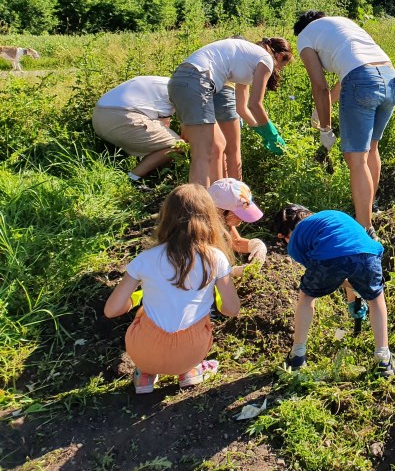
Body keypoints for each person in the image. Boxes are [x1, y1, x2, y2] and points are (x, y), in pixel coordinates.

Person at [103, 184, 240, 394]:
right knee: (200, 319)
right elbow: (231, 309)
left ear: (166, 216)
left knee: (144, 312)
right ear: (209, 218)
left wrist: (135, 301)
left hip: (143, 350)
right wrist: (214, 299)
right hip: (190, 351)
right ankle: (190, 371)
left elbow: (111, 310)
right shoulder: (216, 259)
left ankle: (145, 376)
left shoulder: (145, 259)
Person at [294, 11, 395, 237]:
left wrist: (325, 128)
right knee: (372, 148)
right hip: (390, 77)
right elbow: (350, 71)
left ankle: (364, 228)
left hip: (362, 79)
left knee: (357, 158)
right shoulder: (342, 24)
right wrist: (324, 107)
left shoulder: (304, 36)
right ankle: (369, 207)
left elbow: (320, 86)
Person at [273, 203, 395, 376]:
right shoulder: (330, 217)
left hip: (330, 257)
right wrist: (355, 294)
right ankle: (383, 358)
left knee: (307, 296)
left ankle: (297, 356)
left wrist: (351, 288)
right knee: (376, 298)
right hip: (368, 252)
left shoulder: (295, 240)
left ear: (284, 235)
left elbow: (326, 270)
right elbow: (351, 253)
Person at [168, 37, 293, 186]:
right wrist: (272, 134)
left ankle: (222, 200)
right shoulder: (266, 60)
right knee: (203, 155)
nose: (278, 70)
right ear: (279, 56)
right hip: (197, 80)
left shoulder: (247, 59)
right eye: (282, 66)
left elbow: (242, 107)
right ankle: (199, 206)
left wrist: (260, 131)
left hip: (183, 79)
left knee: (218, 145)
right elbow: (255, 104)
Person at [92, 76, 182, 188]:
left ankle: (145, 168)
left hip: (99, 118)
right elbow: (165, 125)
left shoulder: (165, 82)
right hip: (122, 119)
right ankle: (133, 178)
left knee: (160, 137)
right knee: (179, 145)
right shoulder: (181, 90)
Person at [207, 178, 268, 277]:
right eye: (238, 213)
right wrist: (232, 272)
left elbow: (235, 242)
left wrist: (256, 245)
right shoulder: (202, 230)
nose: (242, 219)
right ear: (220, 210)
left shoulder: (223, 222)